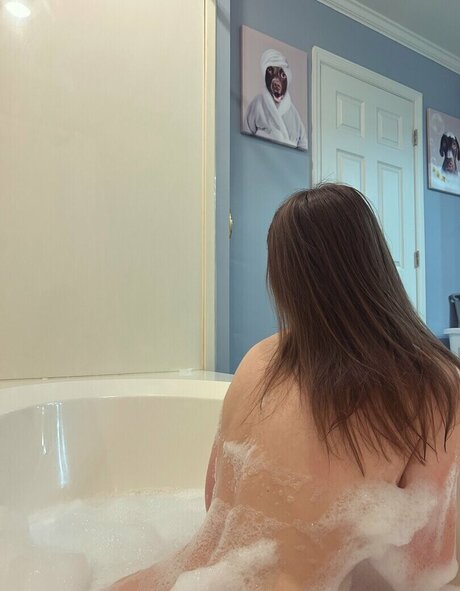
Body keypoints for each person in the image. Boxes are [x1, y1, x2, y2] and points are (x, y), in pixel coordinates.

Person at [109, 184, 460, 590]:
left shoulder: (257, 360)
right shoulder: (432, 384)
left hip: (180, 577)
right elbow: (426, 565)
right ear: (377, 263)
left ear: (283, 280)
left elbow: (213, 496)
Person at [243, 48, 307, 150]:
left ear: (288, 79)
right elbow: (245, 135)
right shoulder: (257, 104)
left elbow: (304, 144)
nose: (276, 81)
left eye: (282, 75)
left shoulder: (293, 113)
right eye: (270, 71)